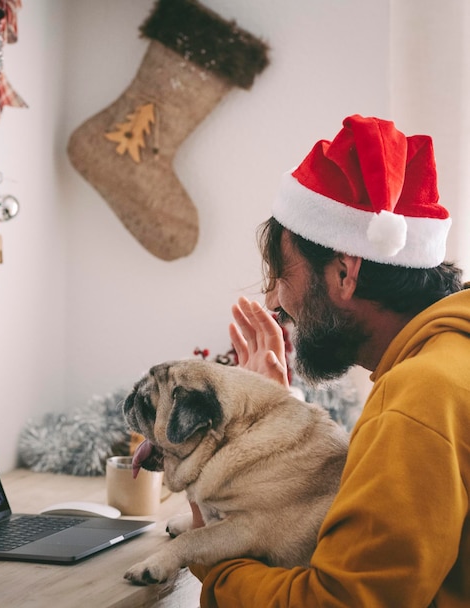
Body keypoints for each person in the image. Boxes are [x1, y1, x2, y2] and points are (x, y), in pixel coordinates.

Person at [189, 114, 470, 606]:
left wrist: (216, 561)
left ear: (344, 272)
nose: (276, 301)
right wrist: (273, 424)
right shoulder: (451, 361)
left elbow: (337, 601)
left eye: (283, 274)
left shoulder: (420, 400)